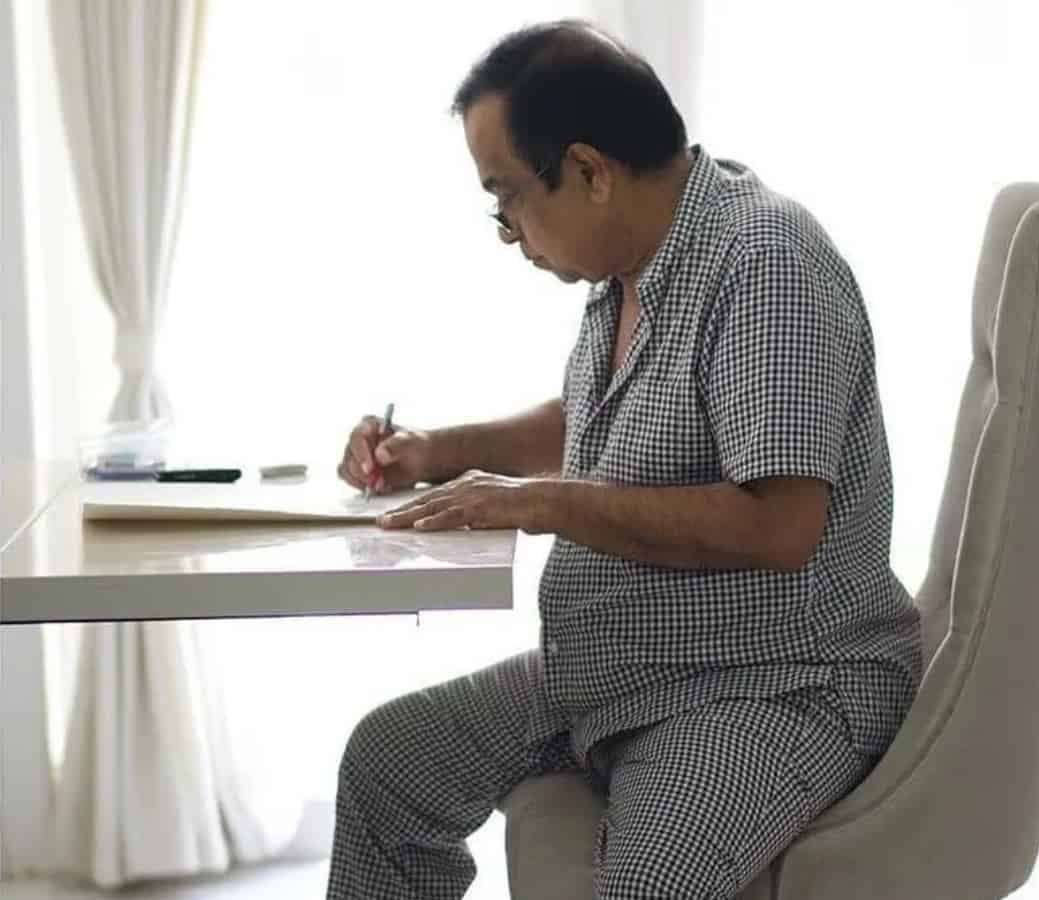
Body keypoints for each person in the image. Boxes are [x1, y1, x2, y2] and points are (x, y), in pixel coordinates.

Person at [326, 19, 921, 900]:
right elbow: (602, 421)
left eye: (506, 198)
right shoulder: (635, 263)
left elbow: (781, 523)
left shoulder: (766, 264)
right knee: (390, 765)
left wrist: (540, 504)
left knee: (647, 885)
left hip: (771, 683)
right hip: (623, 663)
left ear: (589, 171)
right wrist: (440, 453)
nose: (506, 232)